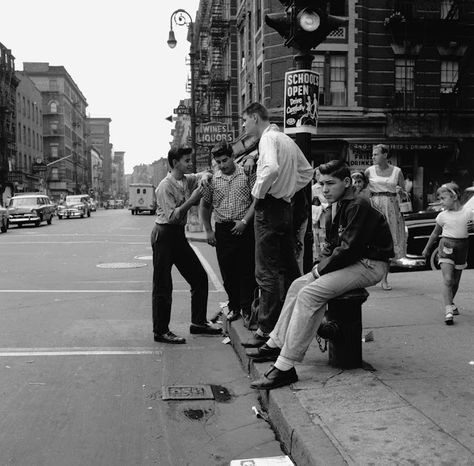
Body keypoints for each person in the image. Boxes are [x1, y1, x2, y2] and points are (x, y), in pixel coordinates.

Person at [248, 160, 394, 390]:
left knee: (309, 295)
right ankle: (276, 342)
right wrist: (326, 255)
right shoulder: (341, 203)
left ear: (346, 182)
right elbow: (340, 245)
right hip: (354, 261)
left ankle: (285, 366)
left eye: (330, 183)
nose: (324, 189)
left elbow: (350, 249)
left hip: (370, 265)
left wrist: (320, 268)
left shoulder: (358, 204)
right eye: (321, 184)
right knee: (297, 285)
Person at [241, 102, 314, 347]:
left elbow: (270, 168)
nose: (243, 125)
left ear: (254, 117)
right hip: (284, 208)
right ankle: (295, 319)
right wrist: (288, 190)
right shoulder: (286, 140)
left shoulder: (267, 139)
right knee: (290, 267)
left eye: (245, 120)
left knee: (266, 272)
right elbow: (307, 172)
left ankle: (265, 330)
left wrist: (259, 193)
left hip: (270, 208)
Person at [151, 147, 221, 344]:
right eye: (186, 160)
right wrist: (193, 199)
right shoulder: (165, 186)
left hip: (178, 236)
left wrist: (206, 177)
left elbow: (203, 174)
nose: (190, 163)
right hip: (164, 235)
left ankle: (198, 322)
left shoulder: (185, 179)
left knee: (198, 276)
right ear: (175, 163)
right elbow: (173, 217)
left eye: (190, 160)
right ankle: (161, 331)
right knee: (163, 286)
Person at [200, 142, 257, 323]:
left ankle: (247, 308)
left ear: (232, 156)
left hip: (244, 227)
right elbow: (205, 206)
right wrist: (208, 231)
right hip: (223, 230)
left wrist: (244, 221)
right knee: (228, 271)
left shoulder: (247, 173)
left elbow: (256, 201)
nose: (222, 165)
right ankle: (234, 306)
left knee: (247, 269)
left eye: (225, 160)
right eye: (218, 162)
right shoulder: (212, 180)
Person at [422, 183, 474, 325]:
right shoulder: (442, 216)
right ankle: (448, 310)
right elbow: (435, 233)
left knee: (455, 282)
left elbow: (471, 227)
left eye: (443, 198)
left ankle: (450, 302)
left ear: (455, 196)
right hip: (446, 245)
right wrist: (427, 249)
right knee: (448, 279)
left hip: (463, 247)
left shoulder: (469, 213)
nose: (441, 202)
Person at [365, 144, 406, 290]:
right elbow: (362, 188)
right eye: (373, 154)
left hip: (391, 206)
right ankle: (368, 275)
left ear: (385, 155)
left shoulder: (397, 171)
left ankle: (384, 278)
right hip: (375, 205)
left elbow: (405, 193)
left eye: (376, 154)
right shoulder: (369, 171)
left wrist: (401, 192)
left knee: (389, 240)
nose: (373, 157)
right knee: (373, 239)